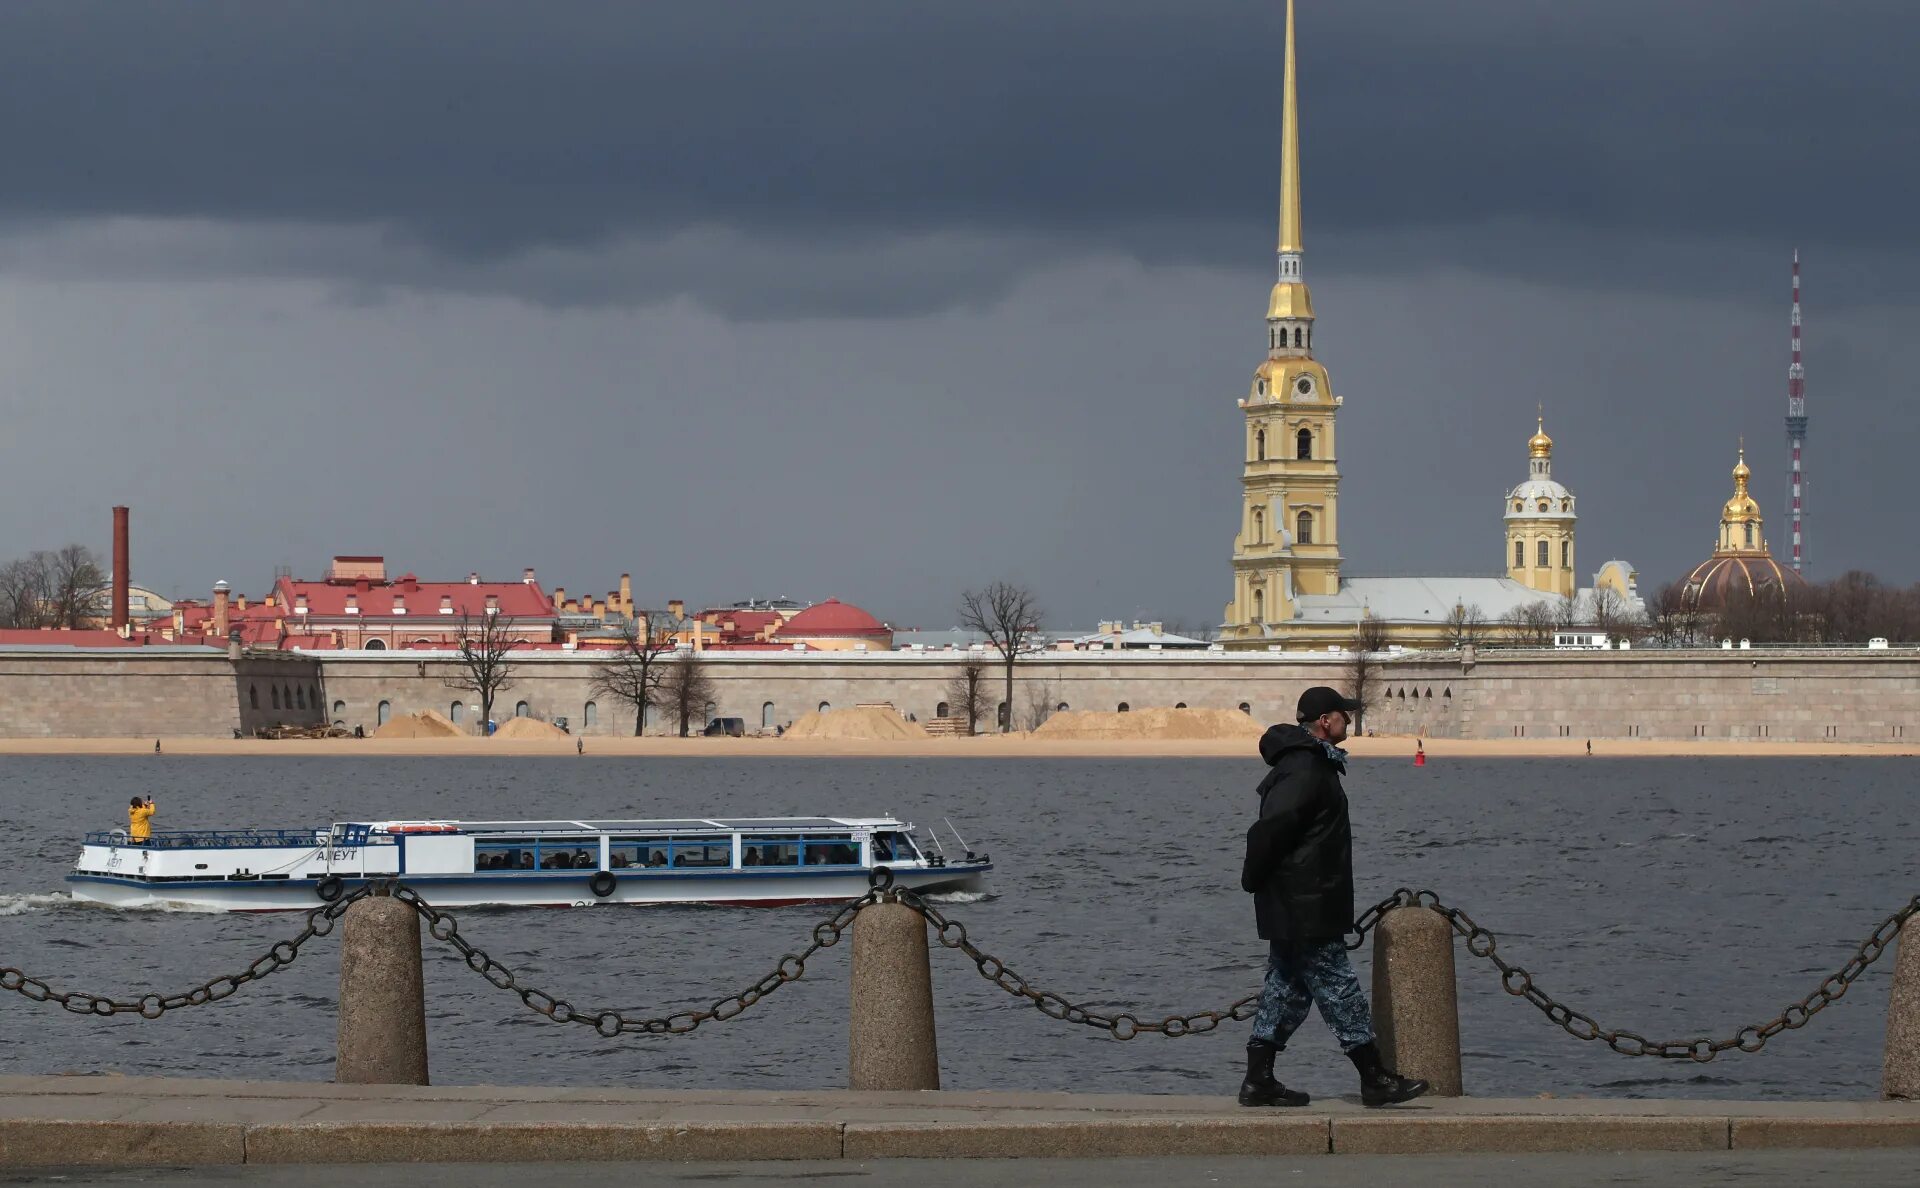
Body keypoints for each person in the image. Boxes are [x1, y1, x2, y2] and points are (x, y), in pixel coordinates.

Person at [1239, 686, 1429, 1109]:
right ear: (1325, 721)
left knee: (1286, 986)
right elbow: (1273, 829)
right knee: (1338, 986)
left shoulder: (1308, 764)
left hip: (1298, 899)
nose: (1349, 720)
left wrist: (1260, 882)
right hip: (1306, 900)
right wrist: (1253, 877)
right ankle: (1374, 1078)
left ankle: (1258, 1080)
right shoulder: (1306, 768)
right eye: (1344, 714)